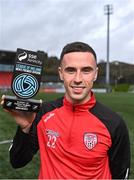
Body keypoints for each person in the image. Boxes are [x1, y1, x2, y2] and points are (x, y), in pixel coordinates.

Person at [1, 42, 130, 179]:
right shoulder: (42, 113)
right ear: (61, 73)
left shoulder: (113, 123)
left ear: (95, 74)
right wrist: (25, 129)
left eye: (86, 70)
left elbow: (121, 175)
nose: (78, 79)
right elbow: (17, 161)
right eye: (71, 70)